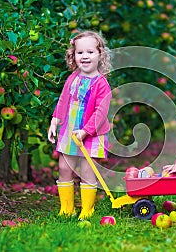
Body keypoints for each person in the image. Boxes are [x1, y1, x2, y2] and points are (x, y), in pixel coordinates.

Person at [48, 31, 112, 220]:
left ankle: (87, 209)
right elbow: (63, 101)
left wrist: (86, 131)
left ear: (100, 54)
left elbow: (101, 112)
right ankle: (67, 208)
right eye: (80, 52)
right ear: (73, 56)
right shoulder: (73, 78)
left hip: (91, 133)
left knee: (87, 170)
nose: (85, 56)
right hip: (70, 130)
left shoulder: (101, 83)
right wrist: (55, 120)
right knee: (64, 167)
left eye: (90, 52)